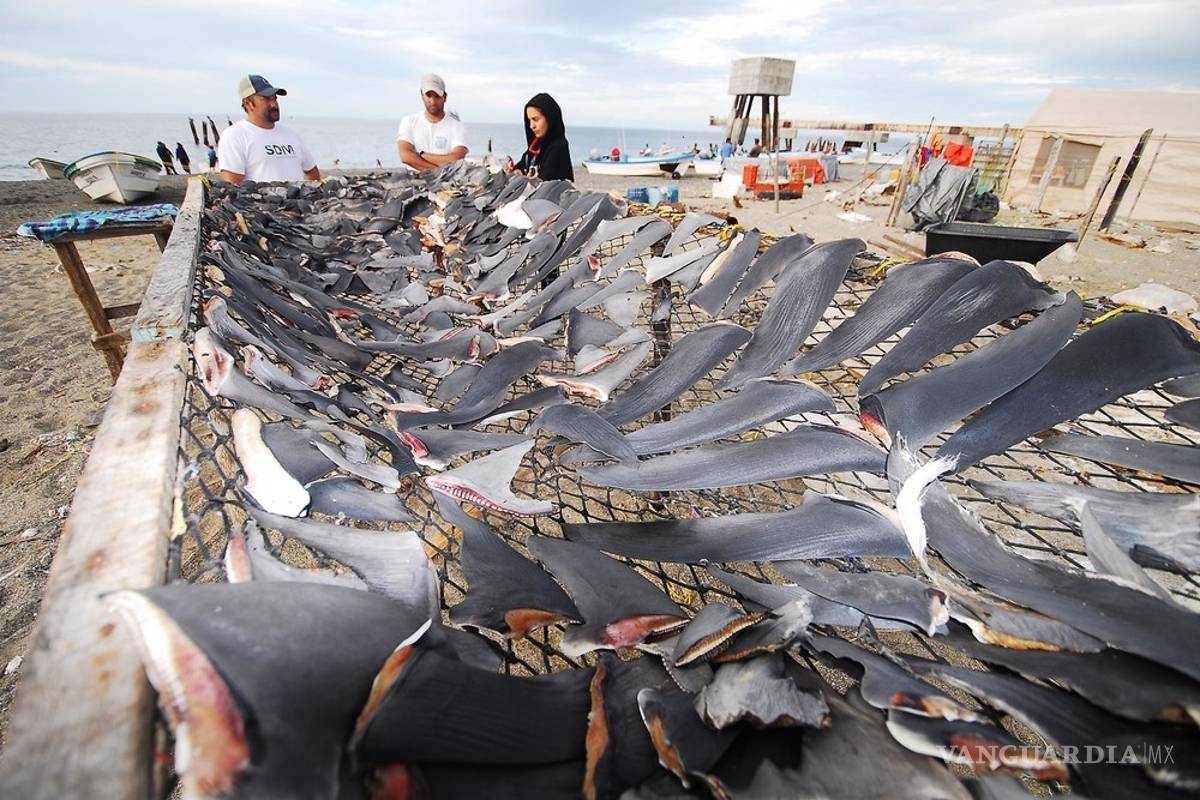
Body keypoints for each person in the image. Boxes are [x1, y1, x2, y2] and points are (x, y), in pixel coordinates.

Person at [217, 74, 320, 184]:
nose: (274, 104)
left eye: (274, 98)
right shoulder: (234, 136)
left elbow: (312, 173)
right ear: (248, 103)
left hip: (297, 200)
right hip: (260, 201)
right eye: (266, 99)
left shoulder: (291, 135)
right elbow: (233, 185)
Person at [396, 73, 468, 172]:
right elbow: (405, 156)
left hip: (445, 181)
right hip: (418, 179)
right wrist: (437, 172)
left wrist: (422, 155)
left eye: (437, 96)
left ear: (445, 97)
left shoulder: (457, 126)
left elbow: (456, 159)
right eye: (428, 96)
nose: (433, 101)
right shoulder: (409, 121)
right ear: (422, 95)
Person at [510, 93, 573, 182]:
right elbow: (521, 165)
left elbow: (544, 181)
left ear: (549, 118)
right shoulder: (535, 146)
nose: (531, 126)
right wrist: (517, 171)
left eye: (535, 119)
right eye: (529, 121)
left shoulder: (558, 147)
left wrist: (525, 178)